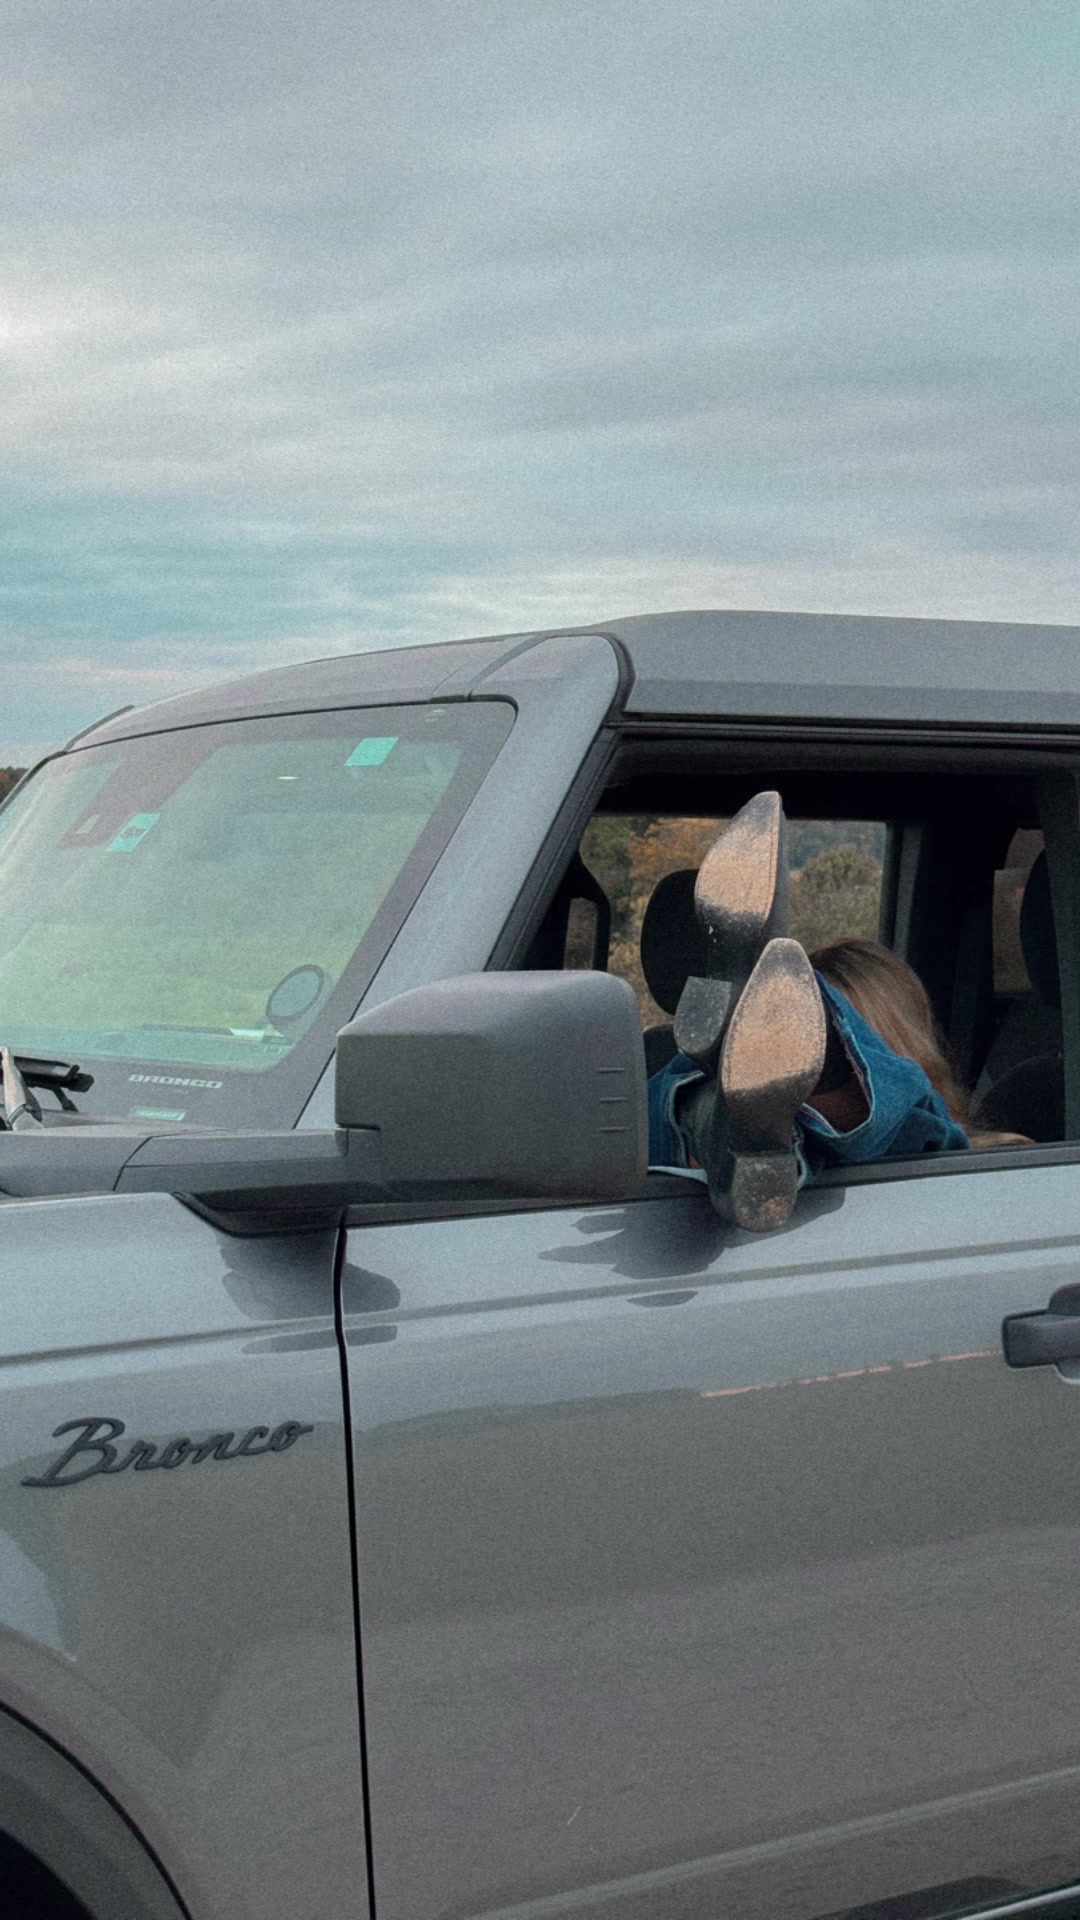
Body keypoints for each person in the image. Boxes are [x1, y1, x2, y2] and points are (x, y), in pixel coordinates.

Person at [645, 793, 1000, 1231]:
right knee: (681, 1090)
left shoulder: (1008, 1168)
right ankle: (714, 1108)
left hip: (885, 1137)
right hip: (736, 1136)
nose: (795, 1097)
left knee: (897, 1126)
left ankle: (810, 1056)